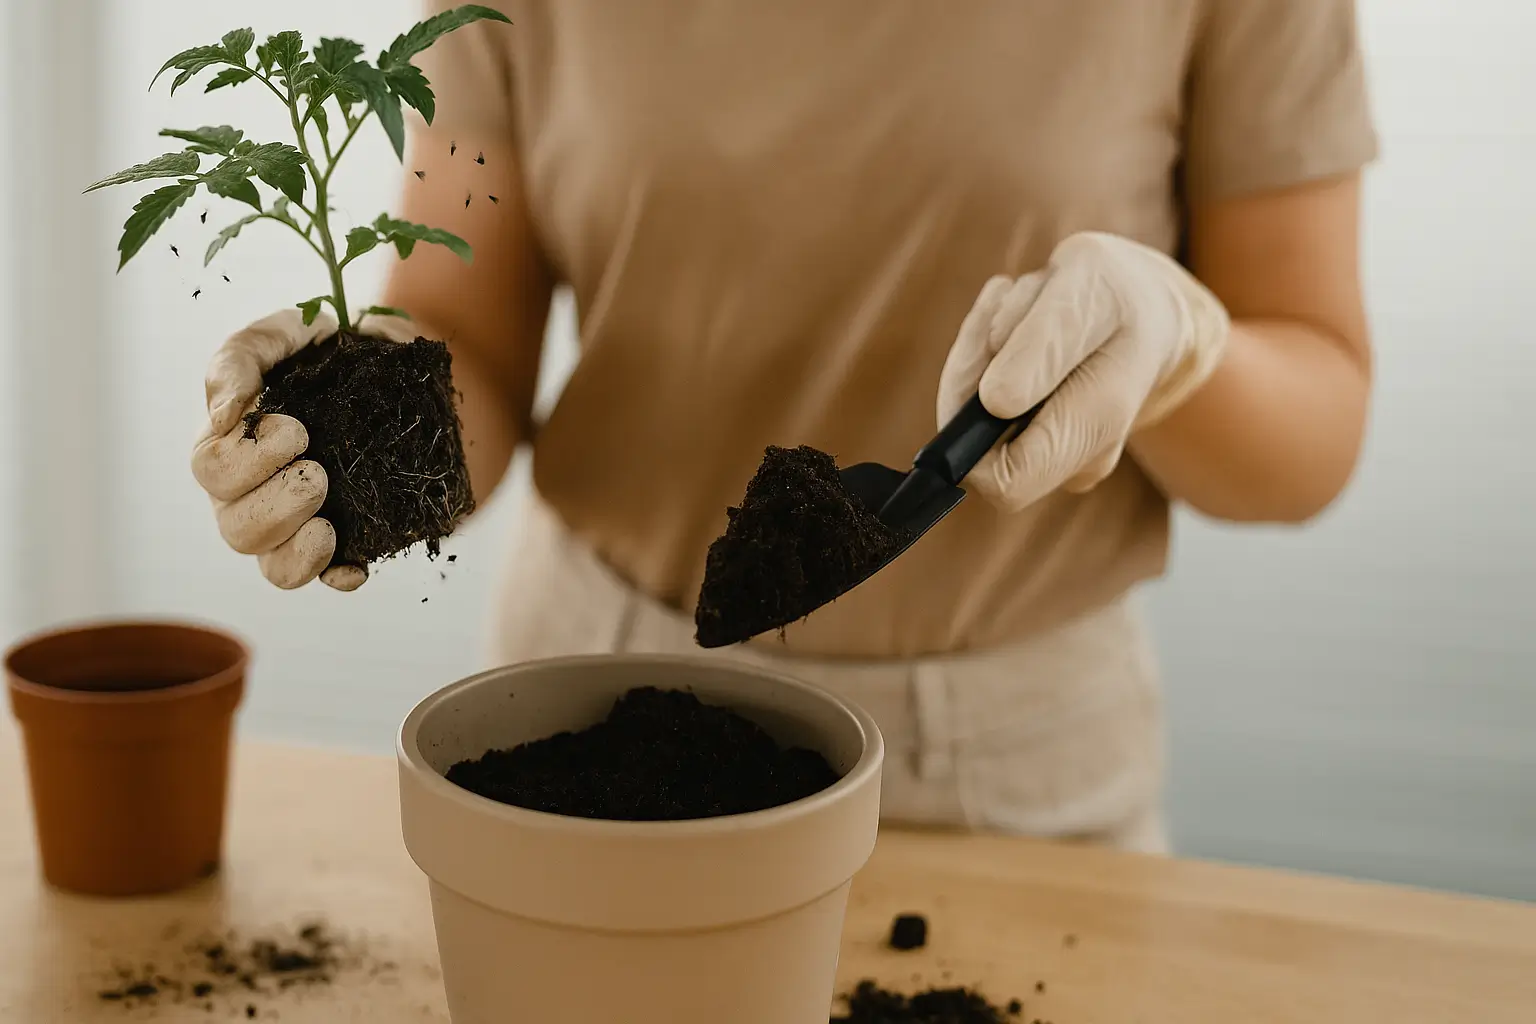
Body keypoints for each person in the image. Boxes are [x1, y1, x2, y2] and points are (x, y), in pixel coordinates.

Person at [192, 1, 1377, 853]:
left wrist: (1176, 342)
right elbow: (469, 332)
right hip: (591, 715)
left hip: (1007, 776)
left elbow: (1311, 425)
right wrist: (346, 436)